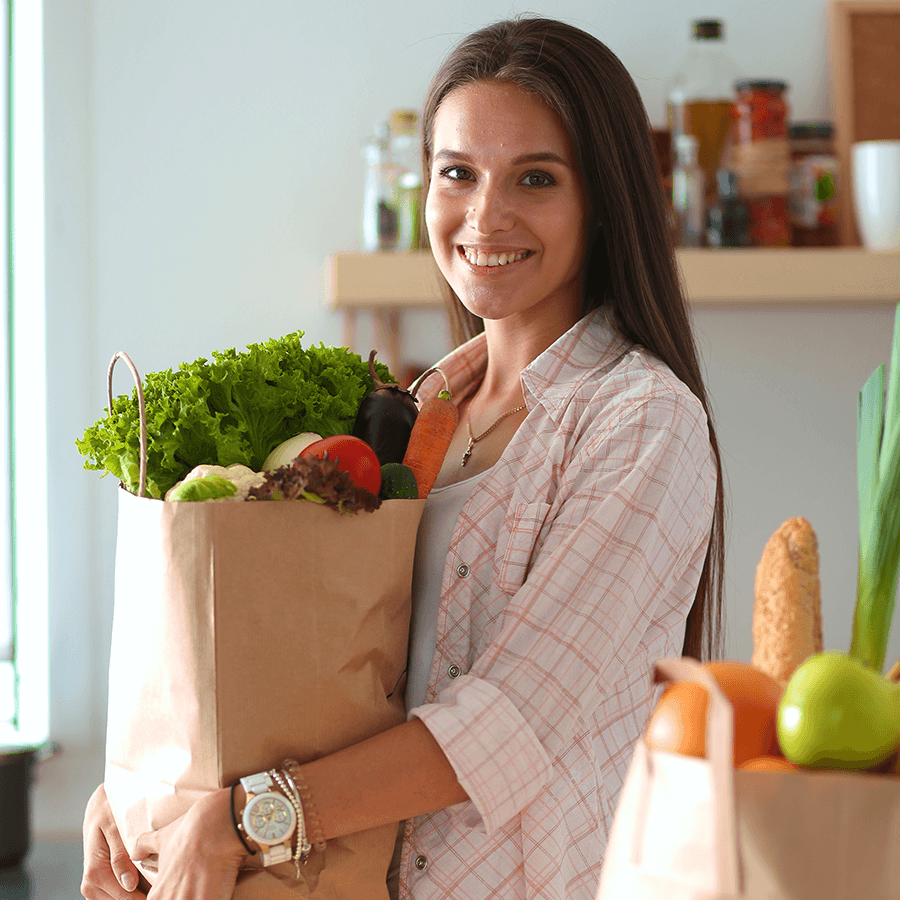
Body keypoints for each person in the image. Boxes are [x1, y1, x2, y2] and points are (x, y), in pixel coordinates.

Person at [81, 15, 725, 900]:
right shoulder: (414, 410)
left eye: (535, 178)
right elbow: (298, 665)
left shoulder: (644, 424)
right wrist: (145, 791)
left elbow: (510, 725)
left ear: (603, 199)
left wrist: (240, 817)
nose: (484, 215)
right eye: (457, 173)